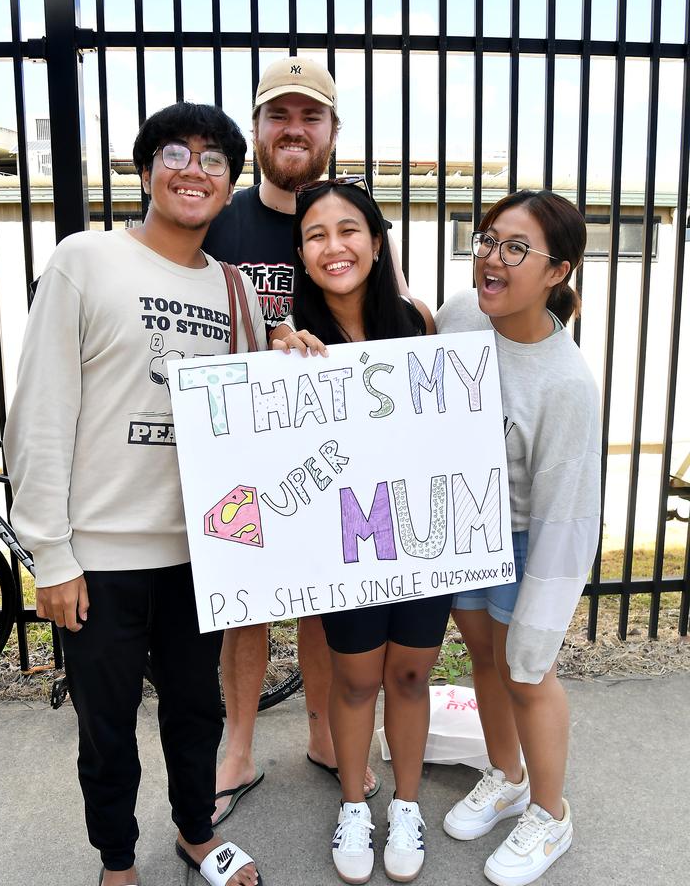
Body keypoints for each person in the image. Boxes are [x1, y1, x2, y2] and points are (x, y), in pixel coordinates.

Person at [3, 103, 267, 886]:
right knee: (107, 726)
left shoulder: (234, 288)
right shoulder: (85, 261)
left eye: (215, 159)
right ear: (145, 169)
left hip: (199, 553)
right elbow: (40, 411)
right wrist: (50, 554)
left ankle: (195, 834)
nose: (196, 168)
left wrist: (289, 348)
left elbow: (254, 411)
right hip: (100, 556)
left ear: (228, 189)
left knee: (197, 714)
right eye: (177, 153)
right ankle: (116, 862)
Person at [203, 57, 408, 821]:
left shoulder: (351, 216)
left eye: (310, 115)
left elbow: (384, 320)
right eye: (278, 115)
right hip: (243, 450)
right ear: (256, 129)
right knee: (245, 610)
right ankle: (240, 748)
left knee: (329, 603)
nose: (294, 128)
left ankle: (326, 736)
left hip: (335, 451)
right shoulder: (220, 216)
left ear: (332, 131)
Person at [273, 177, 449, 885]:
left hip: (419, 534)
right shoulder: (290, 340)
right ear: (303, 255)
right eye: (316, 235)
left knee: (410, 673)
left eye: (349, 230)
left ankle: (406, 804)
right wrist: (284, 362)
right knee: (353, 681)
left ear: (376, 244)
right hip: (345, 542)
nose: (334, 246)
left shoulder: (420, 321)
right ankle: (353, 803)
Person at [435, 190, 601, 886]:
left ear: (556, 270)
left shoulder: (566, 383)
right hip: (464, 525)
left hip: (529, 536)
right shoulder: (458, 315)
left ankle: (549, 810)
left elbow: (569, 511)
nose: (491, 261)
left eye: (514, 248)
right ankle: (504, 774)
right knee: (482, 657)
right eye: (487, 240)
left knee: (526, 670)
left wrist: (542, 614)